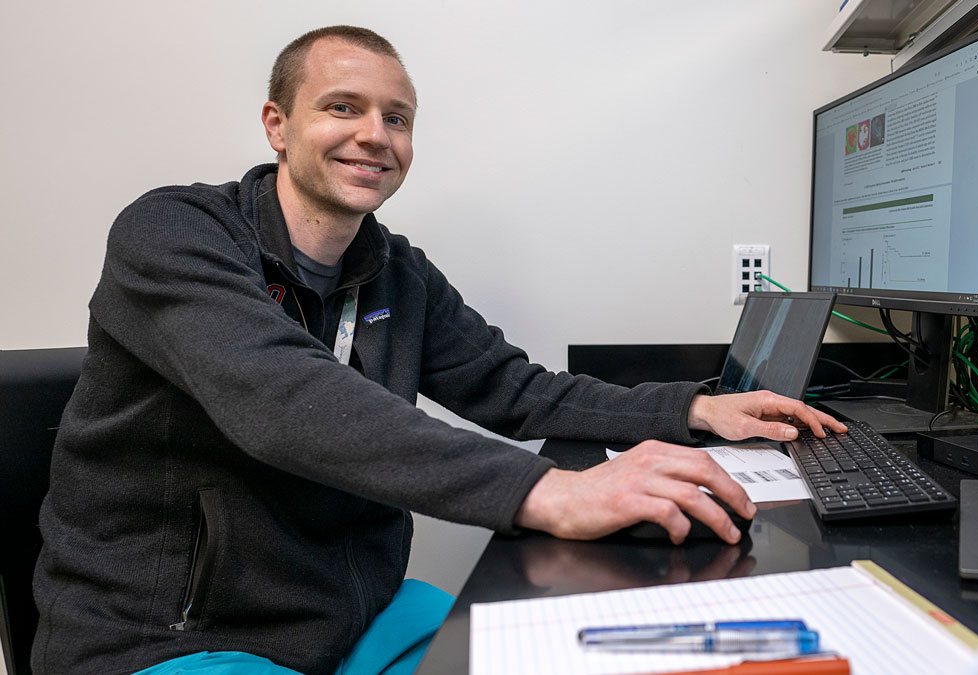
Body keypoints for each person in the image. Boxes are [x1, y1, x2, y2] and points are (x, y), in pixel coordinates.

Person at [32, 25, 844, 675]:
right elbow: (282, 400)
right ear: (278, 124)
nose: (373, 135)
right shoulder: (172, 234)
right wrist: (548, 489)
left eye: (397, 117)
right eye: (342, 107)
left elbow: (516, 389)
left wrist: (692, 406)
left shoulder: (397, 271)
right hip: (176, 636)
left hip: (356, 617)